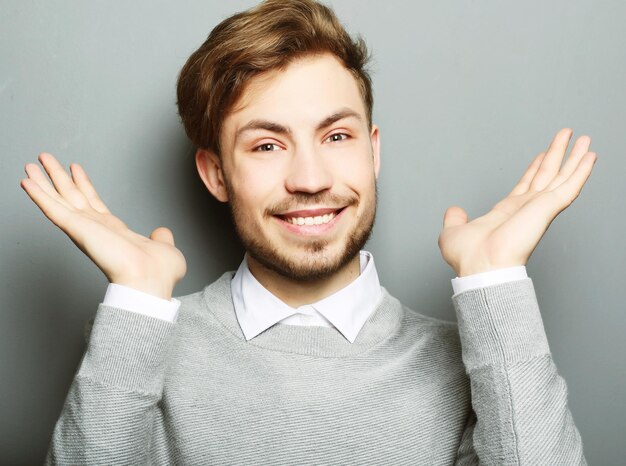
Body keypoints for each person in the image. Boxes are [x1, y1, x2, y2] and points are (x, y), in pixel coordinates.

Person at [21, 0, 596, 464]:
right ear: (217, 173)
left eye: (337, 136)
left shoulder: (477, 357)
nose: (310, 179)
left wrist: (496, 285)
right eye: (267, 145)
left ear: (373, 152)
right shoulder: (142, 341)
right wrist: (137, 300)